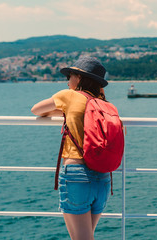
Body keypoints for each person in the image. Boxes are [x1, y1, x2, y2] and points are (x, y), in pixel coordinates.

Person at [31, 56, 111, 240]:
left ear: (80, 78)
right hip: (103, 178)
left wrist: (63, 111)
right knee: (87, 236)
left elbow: (36, 110)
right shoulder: (103, 103)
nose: (67, 81)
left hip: (77, 175)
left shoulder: (68, 96)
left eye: (71, 76)